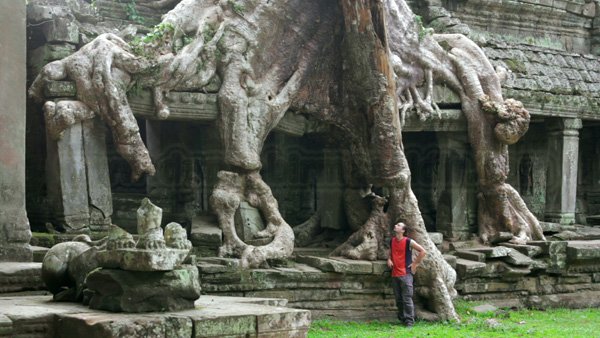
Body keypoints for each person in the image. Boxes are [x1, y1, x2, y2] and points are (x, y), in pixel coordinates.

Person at [387, 222, 427, 327]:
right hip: (394, 273)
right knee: (398, 299)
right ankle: (402, 318)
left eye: (399, 225)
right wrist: (389, 259)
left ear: (403, 230)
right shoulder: (392, 241)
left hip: (406, 274)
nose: (395, 225)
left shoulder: (408, 241)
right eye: (396, 225)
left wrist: (415, 264)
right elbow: (391, 252)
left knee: (407, 298)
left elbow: (422, 251)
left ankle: (409, 321)